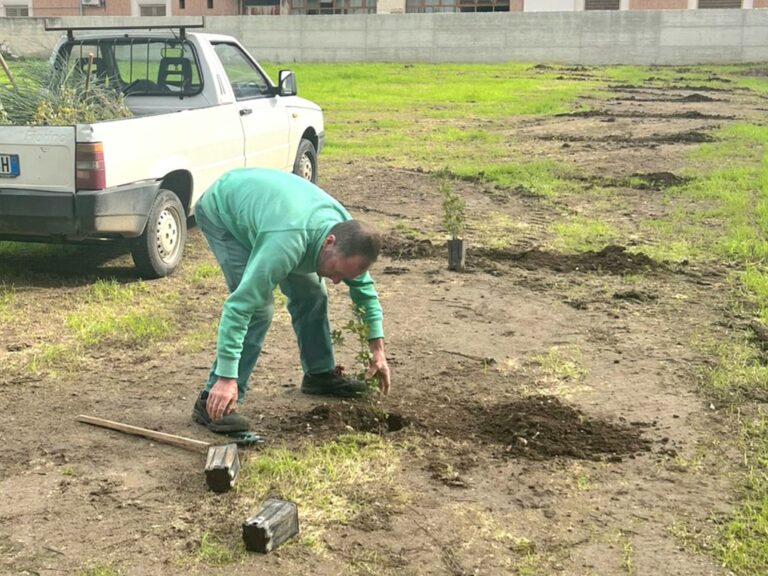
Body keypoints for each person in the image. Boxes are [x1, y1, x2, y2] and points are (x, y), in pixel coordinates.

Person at [191, 168, 391, 434]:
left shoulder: (347, 235)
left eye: (344, 276)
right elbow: (240, 307)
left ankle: (319, 375)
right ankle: (212, 402)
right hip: (224, 211)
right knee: (259, 309)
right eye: (336, 271)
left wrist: (378, 352)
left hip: (274, 216)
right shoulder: (287, 241)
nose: (336, 281)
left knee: (313, 293)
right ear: (329, 242)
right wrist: (227, 376)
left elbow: (364, 291)